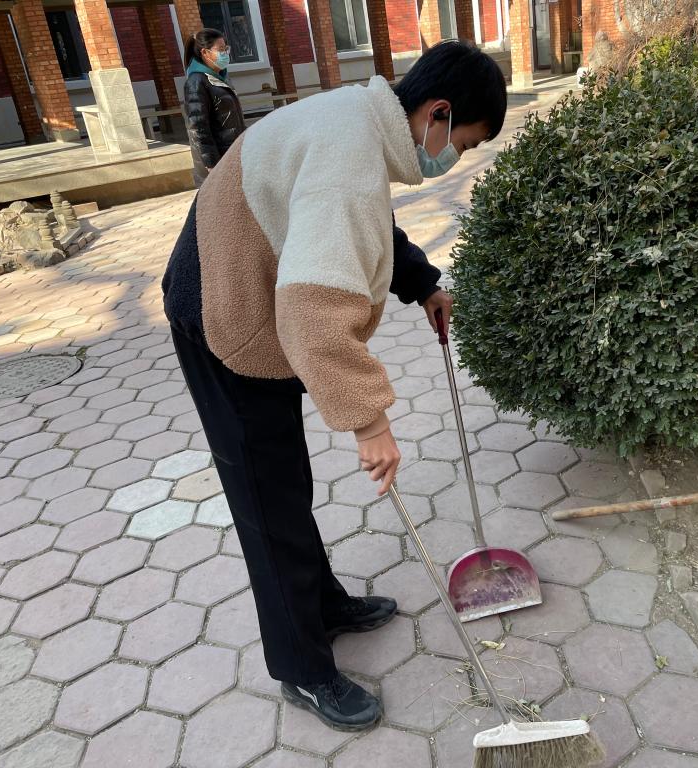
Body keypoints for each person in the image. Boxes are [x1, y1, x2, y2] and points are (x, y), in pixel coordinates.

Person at [162, 40, 507, 731]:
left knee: (286, 482)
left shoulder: (364, 123)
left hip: (250, 290)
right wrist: (370, 423)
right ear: (437, 113)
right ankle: (302, 667)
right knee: (267, 499)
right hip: (222, 312)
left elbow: (364, 222)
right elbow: (313, 314)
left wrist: (423, 283)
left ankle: (321, 604)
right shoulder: (349, 153)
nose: (455, 157)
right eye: (463, 143)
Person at [183, 28, 246, 187]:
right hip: (216, 163)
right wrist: (211, 163)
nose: (225, 53)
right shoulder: (196, 82)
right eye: (221, 50)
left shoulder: (220, 78)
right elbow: (198, 127)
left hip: (231, 154)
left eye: (226, 49)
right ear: (205, 53)